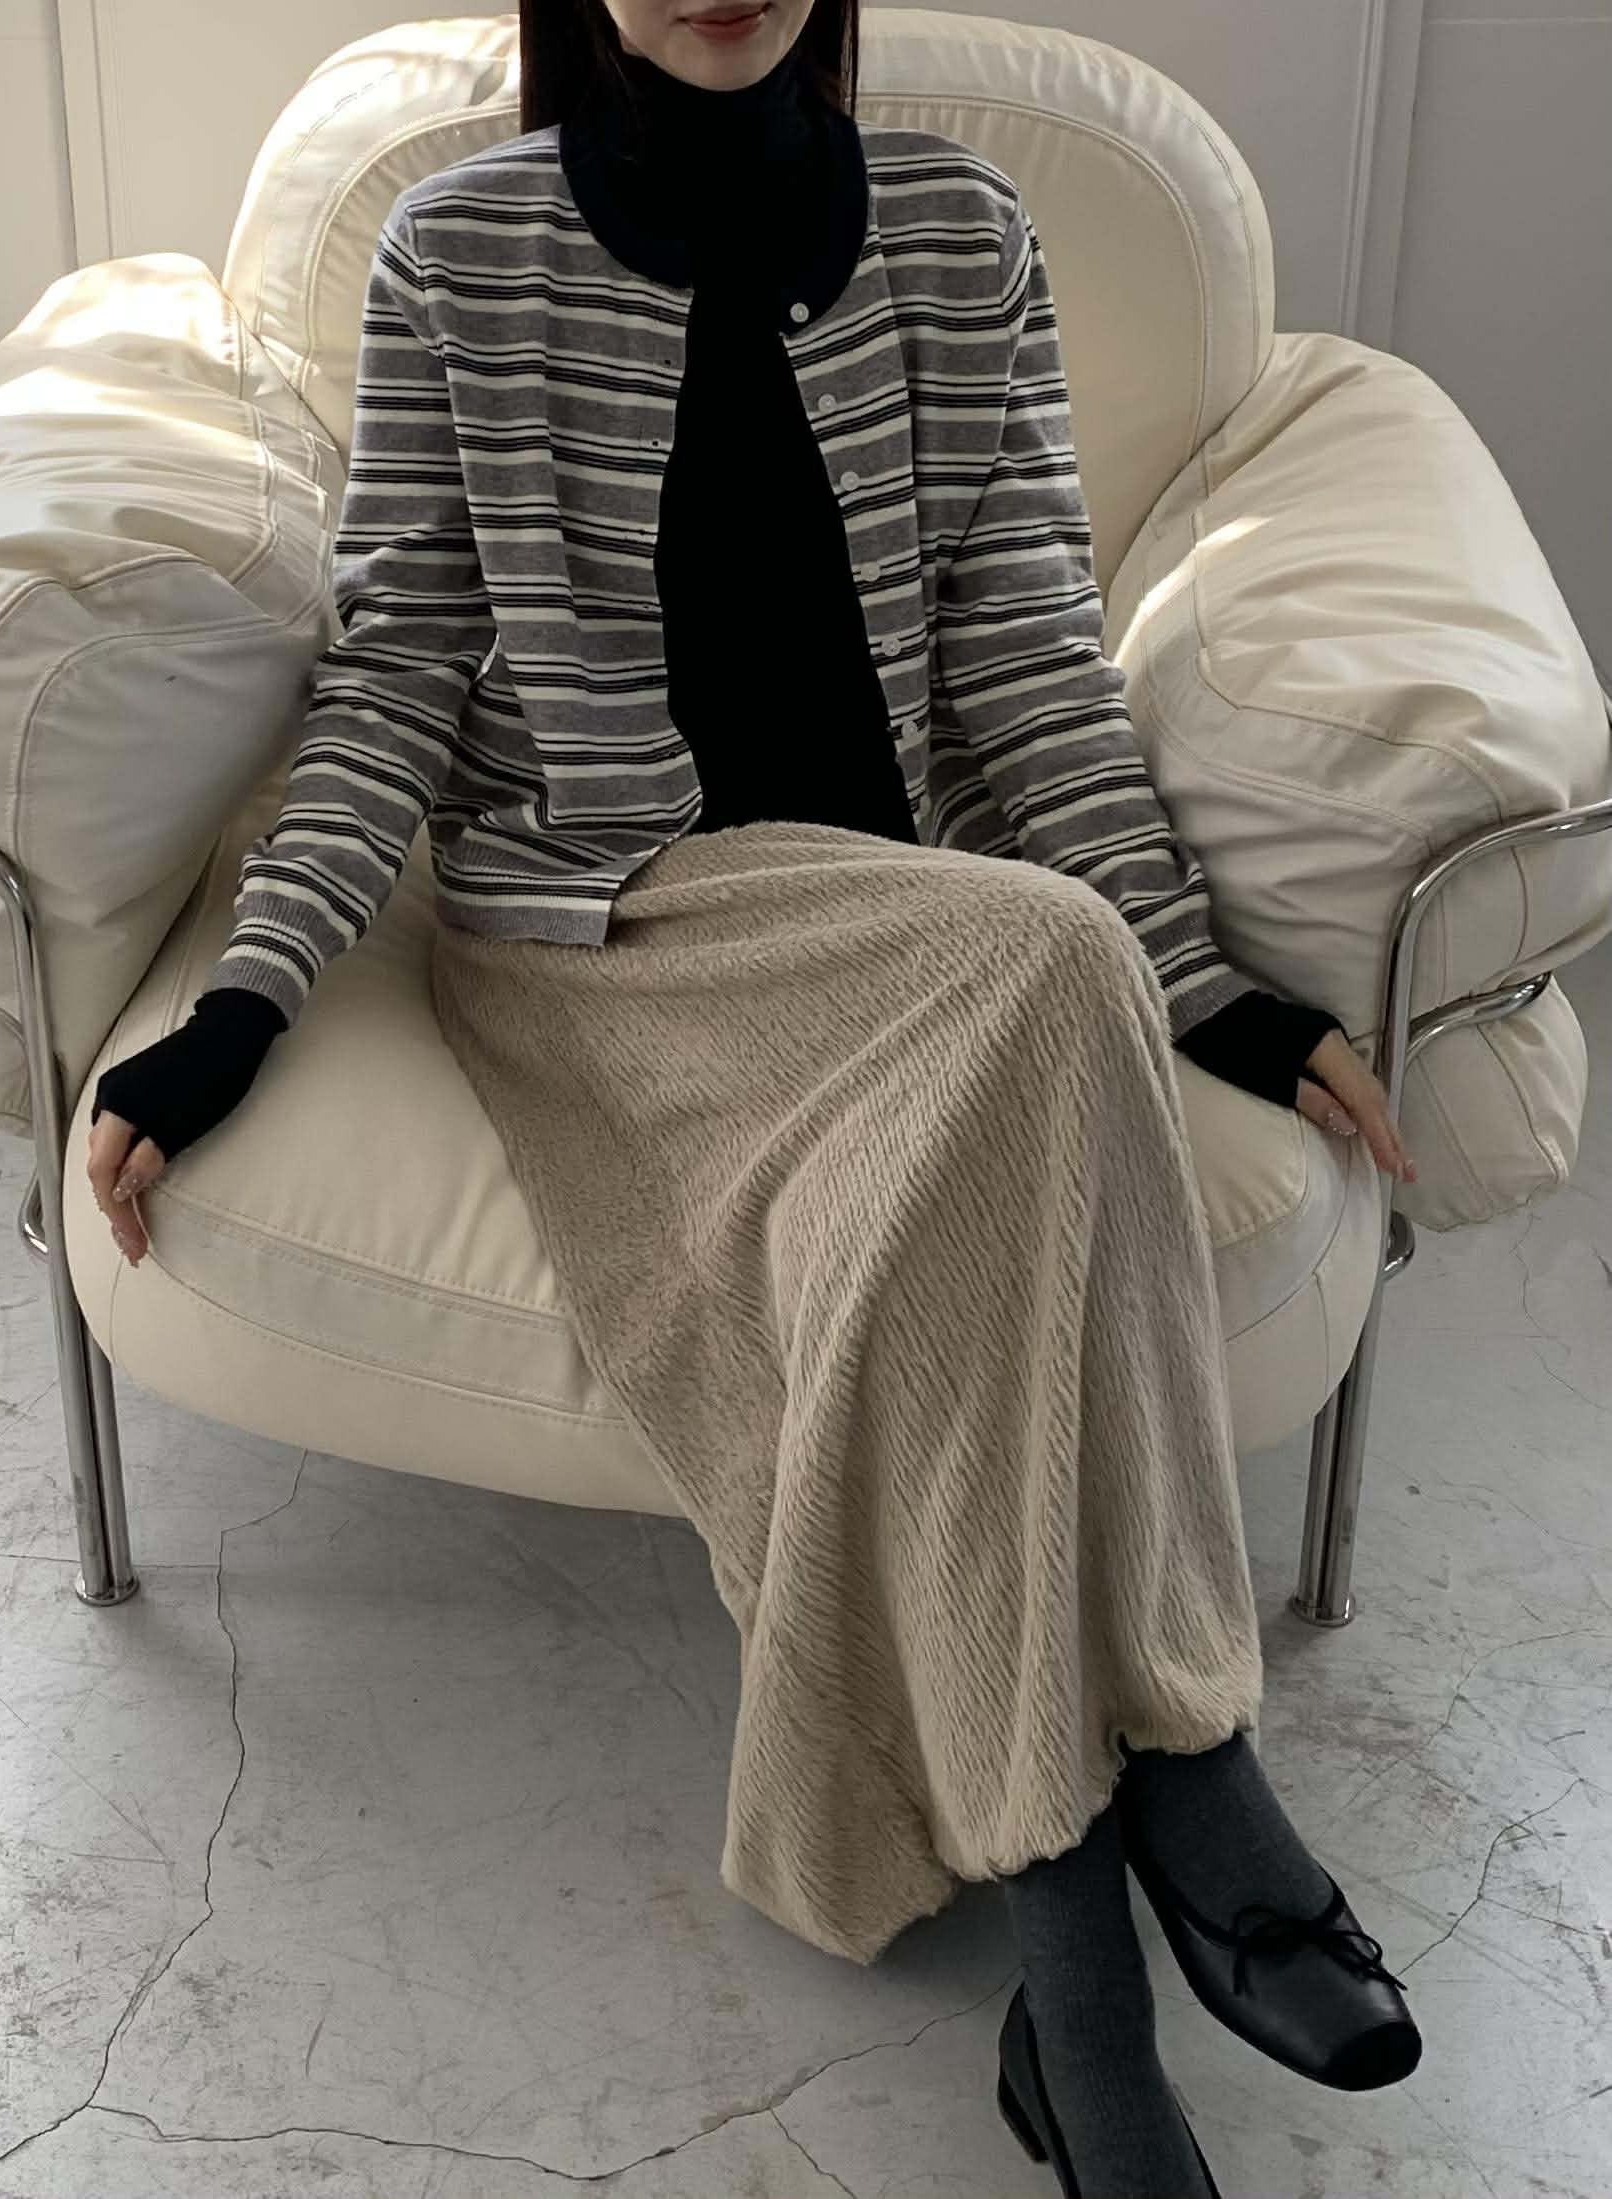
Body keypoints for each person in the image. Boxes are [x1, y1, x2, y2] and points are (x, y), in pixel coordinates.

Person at [87, 2, 1423, 2189]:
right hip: (611, 934)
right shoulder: (459, 249)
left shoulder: (966, 236)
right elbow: (397, 673)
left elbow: (1029, 661)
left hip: (909, 907)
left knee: (991, 1127)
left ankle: (1078, 2015)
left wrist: (1206, 981)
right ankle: (1192, 1772)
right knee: (1050, 963)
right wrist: (249, 998)